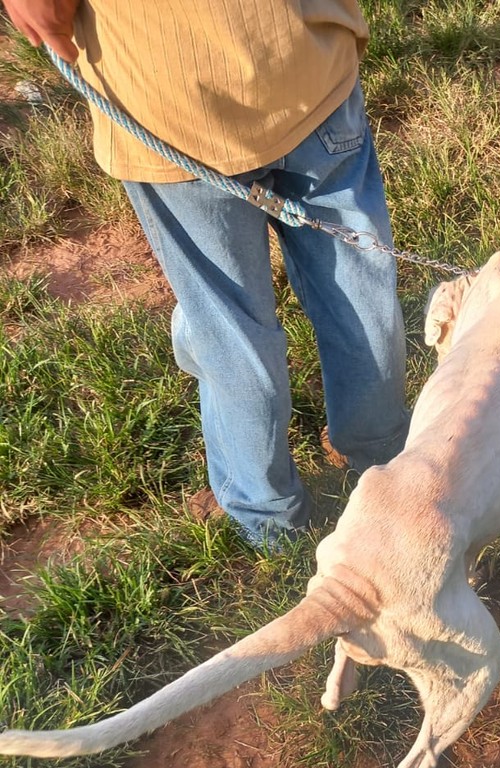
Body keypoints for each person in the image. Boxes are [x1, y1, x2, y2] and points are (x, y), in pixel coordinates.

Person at [2, 0, 411, 549]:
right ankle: (386, 462)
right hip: (305, 60)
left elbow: (43, 10)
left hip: (168, 104)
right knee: (361, 297)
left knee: (230, 330)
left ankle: (270, 519)